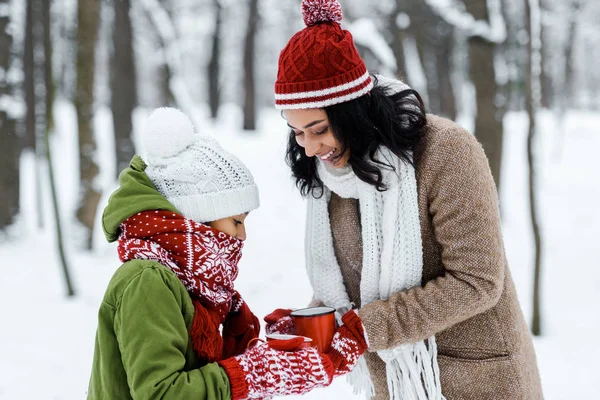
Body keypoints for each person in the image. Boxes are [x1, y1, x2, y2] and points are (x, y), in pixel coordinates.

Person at [265, 1, 544, 399]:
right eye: (296, 132)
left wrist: (364, 330)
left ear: (352, 112)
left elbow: (477, 281)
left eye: (319, 129)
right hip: (395, 385)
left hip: (478, 381)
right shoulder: (333, 176)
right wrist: (313, 323)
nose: (309, 148)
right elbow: (354, 289)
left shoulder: (447, 152)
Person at [86, 107, 367, 399]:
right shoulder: (147, 281)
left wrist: (282, 351)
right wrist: (256, 373)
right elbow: (161, 393)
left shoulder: (192, 281)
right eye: (236, 221)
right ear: (197, 217)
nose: (242, 235)